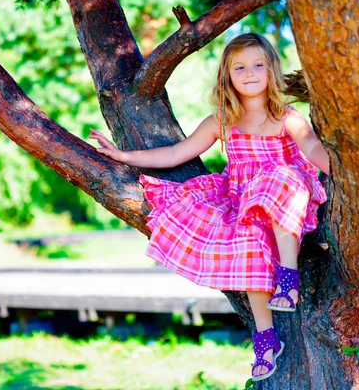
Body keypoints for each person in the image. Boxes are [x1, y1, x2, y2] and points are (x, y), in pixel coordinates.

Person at [89, 33, 329, 381]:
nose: (249, 73)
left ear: (271, 70)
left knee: (278, 179)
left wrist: (346, 170)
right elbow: (175, 154)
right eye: (240, 67)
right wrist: (123, 155)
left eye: (258, 65)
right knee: (247, 243)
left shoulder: (287, 117)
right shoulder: (223, 122)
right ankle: (265, 337)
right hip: (246, 205)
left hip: (287, 196)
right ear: (227, 75)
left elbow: (313, 151)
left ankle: (287, 276)